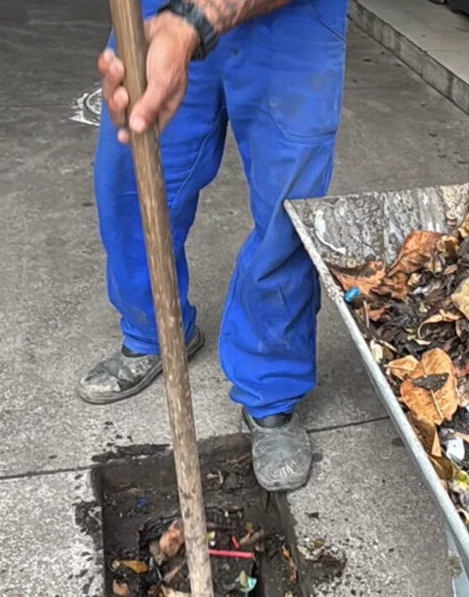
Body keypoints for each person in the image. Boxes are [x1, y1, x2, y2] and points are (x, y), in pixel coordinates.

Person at [77, 0, 348, 492]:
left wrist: (195, 22)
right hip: (155, 12)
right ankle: (155, 331)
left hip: (291, 18)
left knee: (286, 211)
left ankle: (271, 387)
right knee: (130, 181)